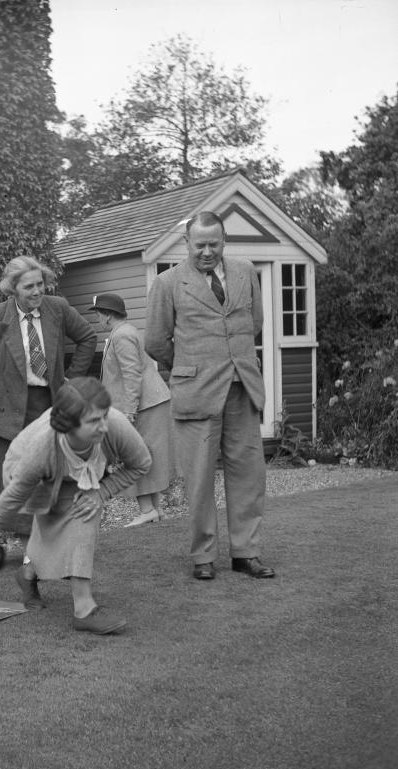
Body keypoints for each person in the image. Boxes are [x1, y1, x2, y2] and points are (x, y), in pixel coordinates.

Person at [144, 211, 275, 580]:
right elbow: (155, 341)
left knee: (248, 475)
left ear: (224, 241)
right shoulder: (168, 283)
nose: (206, 251)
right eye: (199, 244)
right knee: (199, 480)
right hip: (196, 392)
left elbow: (255, 325)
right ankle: (203, 557)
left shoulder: (246, 271)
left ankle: (245, 553)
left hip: (242, 388)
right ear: (186, 243)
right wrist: (187, 368)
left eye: (213, 244)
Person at [0, 377, 151, 635]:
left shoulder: (114, 425)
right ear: (69, 425)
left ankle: (84, 609)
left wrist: (103, 492)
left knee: (85, 512)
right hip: (23, 471)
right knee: (50, 525)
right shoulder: (40, 449)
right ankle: (29, 574)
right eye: (93, 421)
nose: (103, 426)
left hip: (78, 474)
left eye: (103, 417)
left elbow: (142, 463)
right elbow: (14, 494)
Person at [0, 255, 96, 536]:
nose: (38, 291)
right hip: (11, 409)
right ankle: (19, 538)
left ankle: (46, 538)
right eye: (29, 287)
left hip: (50, 405)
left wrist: (72, 382)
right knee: (15, 475)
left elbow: (88, 338)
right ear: (12, 288)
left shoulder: (58, 308)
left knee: (49, 470)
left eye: (40, 284)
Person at [91, 292, 172, 526]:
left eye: (98, 313)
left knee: (136, 455)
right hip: (149, 403)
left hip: (143, 405)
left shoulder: (122, 336)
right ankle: (153, 510)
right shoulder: (124, 332)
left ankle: (148, 510)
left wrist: (129, 411)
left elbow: (131, 374)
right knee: (146, 454)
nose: (97, 318)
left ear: (107, 316)